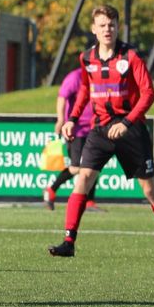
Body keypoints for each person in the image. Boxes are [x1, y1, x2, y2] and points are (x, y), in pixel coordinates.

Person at [51, 5, 154, 258]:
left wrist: (127, 123)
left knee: (150, 190)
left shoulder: (130, 56)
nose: (107, 29)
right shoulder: (87, 58)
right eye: (102, 25)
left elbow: (149, 93)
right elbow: (85, 91)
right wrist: (72, 118)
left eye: (112, 25)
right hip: (100, 129)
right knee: (84, 177)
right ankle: (69, 241)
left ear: (118, 27)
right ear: (94, 29)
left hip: (130, 129)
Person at [44, 67, 102, 212]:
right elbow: (62, 97)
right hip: (77, 129)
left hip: (95, 128)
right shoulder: (75, 77)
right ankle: (51, 190)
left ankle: (89, 201)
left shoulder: (100, 76)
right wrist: (60, 119)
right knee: (76, 167)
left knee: (93, 165)